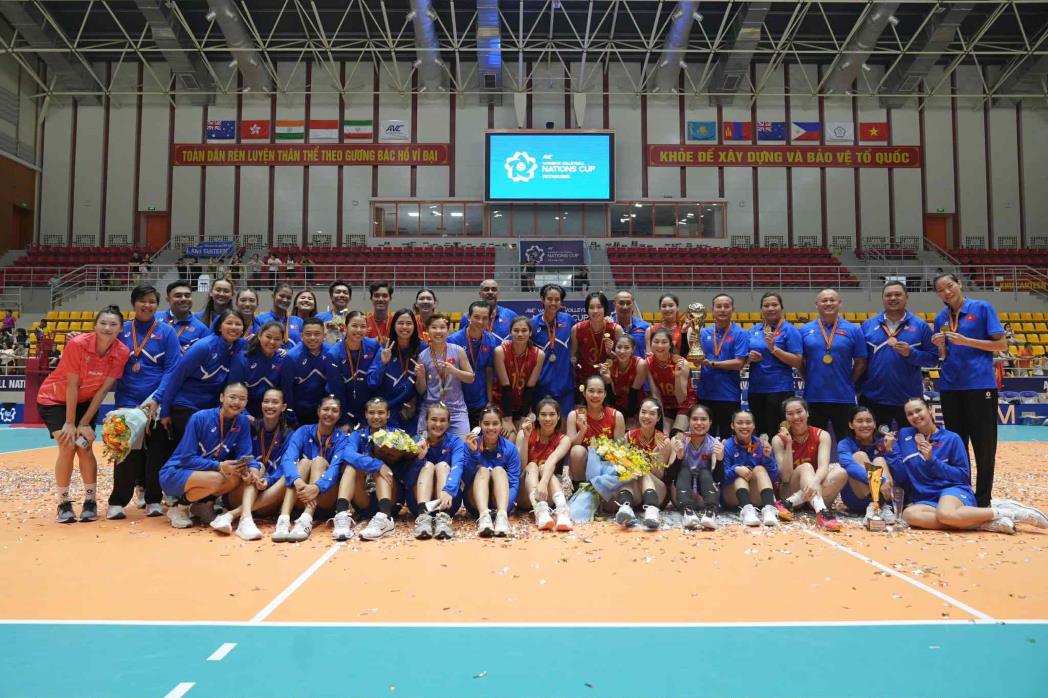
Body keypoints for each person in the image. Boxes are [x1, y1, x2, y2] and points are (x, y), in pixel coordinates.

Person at [889, 396, 1048, 533]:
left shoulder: (951, 438)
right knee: (908, 515)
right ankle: (980, 523)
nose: (915, 416)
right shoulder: (904, 435)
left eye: (918, 410)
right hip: (927, 497)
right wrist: (890, 451)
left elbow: (962, 475)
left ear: (929, 410)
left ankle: (1009, 513)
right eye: (909, 414)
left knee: (945, 515)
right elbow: (902, 472)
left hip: (952, 490)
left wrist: (932, 461)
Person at [37, 306, 130, 523]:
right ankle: (63, 502)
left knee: (84, 446)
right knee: (68, 444)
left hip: (85, 403)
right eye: (103, 323)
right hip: (55, 400)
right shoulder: (77, 344)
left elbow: (103, 390)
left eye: (113, 324)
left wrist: (85, 422)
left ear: (120, 328)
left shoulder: (122, 352)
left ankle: (90, 501)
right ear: (95, 325)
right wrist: (70, 422)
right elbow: (72, 385)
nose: (107, 328)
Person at [931, 273, 1007, 507]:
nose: (947, 292)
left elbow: (1001, 344)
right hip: (951, 387)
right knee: (956, 446)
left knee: (984, 446)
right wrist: (941, 349)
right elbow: (943, 357)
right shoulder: (941, 317)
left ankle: (983, 499)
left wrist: (967, 341)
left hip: (979, 385)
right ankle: (962, 495)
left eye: (950, 286)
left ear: (959, 284)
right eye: (941, 289)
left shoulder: (982, 308)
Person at [107, 285, 181, 520]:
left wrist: (158, 399)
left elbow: (172, 368)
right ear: (133, 303)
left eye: (151, 301)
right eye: (142, 301)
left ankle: (152, 499)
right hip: (127, 401)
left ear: (157, 305)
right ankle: (117, 502)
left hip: (156, 402)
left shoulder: (167, 332)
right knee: (125, 452)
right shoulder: (123, 330)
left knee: (156, 452)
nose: (147, 305)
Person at [159, 382, 259, 529]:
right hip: (175, 472)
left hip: (208, 473)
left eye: (242, 399)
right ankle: (179, 508)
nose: (237, 402)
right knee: (218, 478)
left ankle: (202, 506)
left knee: (236, 477)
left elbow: (246, 454)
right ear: (221, 398)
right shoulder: (199, 418)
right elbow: (186, 459)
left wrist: (252, 470)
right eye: (232, 397)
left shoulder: (243, 422)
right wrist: (219, 466)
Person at [158, 309, 247, 442]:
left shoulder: (240, 347)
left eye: (238, 324)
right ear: (220, 326)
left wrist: (281, 351)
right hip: (186, 406)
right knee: (197, 447)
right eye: (229, 323)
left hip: (211, 409)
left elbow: (262, 346)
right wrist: (164, 412)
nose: (233, 327)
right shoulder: (204, 346)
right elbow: (176, 377)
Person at [269, 395, 349, 542]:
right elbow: (287, 459)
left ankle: (306, 519)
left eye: (334, 410)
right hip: (302, 494)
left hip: (326, 497)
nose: (329, 413)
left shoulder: (343, 438)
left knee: (318, 461)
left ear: (339, 415)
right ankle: (284, 519)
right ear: (318, 411)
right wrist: (297, 480)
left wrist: (318, 486)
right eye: (325, 409)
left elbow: (336, 468)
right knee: (304, 463)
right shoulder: (303, 431)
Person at [218, 388, 295, 540]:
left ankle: (232, 515)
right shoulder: (248, 426)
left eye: (275, 402)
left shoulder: (290, 435)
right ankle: (244, 518)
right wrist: (248, 473)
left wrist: (268, 481)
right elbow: (240, 457)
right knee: (258, 466)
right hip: (243, 487)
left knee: (290, 477)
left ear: (283, 407)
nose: (270, 406)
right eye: (266, 401)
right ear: (261, 404)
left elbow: (286, 465)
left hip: (269, 497)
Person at [859, 282, 937, 431]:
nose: (893, 298)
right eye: (888, 295)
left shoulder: (921, 326)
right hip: (873, 399)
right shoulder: (868, 325)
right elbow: (861, 360)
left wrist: (911, 353)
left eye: (897, 294)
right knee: (873, 448)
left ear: (906, 297)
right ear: (882, 299)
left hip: (908, 401)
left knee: (911, 446)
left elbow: (933, 359)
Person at [319, 397, 396, 542]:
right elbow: (347, 454)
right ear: (366, 415)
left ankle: (386, 518)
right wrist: (377, 464)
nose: (376, 417)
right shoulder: (357, 435)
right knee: (350, 466)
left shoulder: (397, 435)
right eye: (372, 413)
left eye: (381, 413)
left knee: (384, 468)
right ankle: (341, 515)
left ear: (388, 415)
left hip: (391, 497)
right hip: (363, 500)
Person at [799, 288, 868, 440]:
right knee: (813, 444)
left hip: (844, 397)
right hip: (813, 397)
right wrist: (808, 378)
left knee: (846, 444)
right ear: (816, 304)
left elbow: (861, 362)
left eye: (832, 300)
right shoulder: (804, 330)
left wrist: (850, 381)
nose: (828, 303)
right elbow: (799, 361)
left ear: (840, 303)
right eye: (824, 300)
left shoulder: (854, 330)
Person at [773, 396, 845, 531]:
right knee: (806, 467)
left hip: (813, 490)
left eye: (799, 412)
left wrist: (815, 482)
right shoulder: (778, 440)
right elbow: (786, 477)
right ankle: (823, 513)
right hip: (789, 489)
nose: (795, 417)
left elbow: (823, 466)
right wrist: (788, 444)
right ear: (785, 418)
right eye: (790, 414)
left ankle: (788, 504)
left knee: (841, 472)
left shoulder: (822, 435)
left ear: (807, 413)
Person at [746, 292, 803, 437]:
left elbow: (797, 361)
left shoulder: (790, 330)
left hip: (780, 390)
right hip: (756, 390)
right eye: (766, 305)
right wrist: (750, 357)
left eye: (774, 305)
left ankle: (780, 460)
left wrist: (773, 349)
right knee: (760, 434)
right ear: (761, 309)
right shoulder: (754, 330)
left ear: (781, 308)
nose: (770, 308)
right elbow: (744, 358)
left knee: (778, 434)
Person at [693, 293, 748, 438]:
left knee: (727, 439)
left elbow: (739, 363)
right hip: (705, 394)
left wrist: (712, 363)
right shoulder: (703, 332)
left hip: (729, 396)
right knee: (703, 438)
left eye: (726, 306)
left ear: (732, 309)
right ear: (713, 310)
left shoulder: (740, 333)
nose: (722, 309)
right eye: (719, 306)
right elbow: (695, 360)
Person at [409, 402, 468, 540]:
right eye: (434, 420)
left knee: (442, 465)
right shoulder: (415, 442)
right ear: (426, 421)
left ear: (448, 423)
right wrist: (419, 459)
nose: (438, 424)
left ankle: (443, 518)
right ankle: (423, 517)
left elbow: (458, 466)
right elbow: (407, 480)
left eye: (442, 420)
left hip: (448, 500)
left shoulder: (455, 442)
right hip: (418, 502)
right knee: (428, 465)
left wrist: (449, 489)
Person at [463, 405, 521, 538]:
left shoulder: (510, 449)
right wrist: (474, 453)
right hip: (475, 502)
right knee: (482, 471)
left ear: (501, 425)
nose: (490, 428)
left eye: (495, 423)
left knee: (499, 470)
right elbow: (466, 479)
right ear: (479, 425)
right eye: (486, 423)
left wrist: (506, 507)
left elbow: (513, 483)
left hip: (500, 503)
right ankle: (484, 517)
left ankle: (501, 517)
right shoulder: (470, 444)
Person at [515, 399, 573, 531]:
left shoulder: (564, 440)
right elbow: (521, 467)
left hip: (548, 493)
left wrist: (542, 484)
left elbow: (552, 461)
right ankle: (540, 511)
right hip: (525, 494)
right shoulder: (523, 434)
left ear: (558, 416)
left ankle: (562, 513)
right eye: (543, 414)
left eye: (552, 414)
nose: (547, 418)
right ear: (537, 416)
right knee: (532, 466)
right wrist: (525, 438)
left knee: (545, 467)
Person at [619, 398, 676, 530]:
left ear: (658, 418)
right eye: (643, 412)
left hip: (658, 491)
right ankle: (626, 507)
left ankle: (651, 509)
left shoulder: (663, 440)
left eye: (652, 413)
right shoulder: (629, 436)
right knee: (629, 472)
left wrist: (653, 456)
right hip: (636, 491)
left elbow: (659, 474)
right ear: (638, 414)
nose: (646, 416)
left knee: (639, 470)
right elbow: (622, 465)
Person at [837, 405, 897, 526]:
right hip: (856, 498)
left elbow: (900, 473)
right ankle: (875, 504)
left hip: (885, 496)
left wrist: (890, 451)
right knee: (859, 456)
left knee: (879, 459)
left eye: (869, 421)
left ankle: (879, 506)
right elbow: (849, 467)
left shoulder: (885, 442)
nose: (865, 425)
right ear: (851, 425)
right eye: (859, 421)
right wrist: (879, 480)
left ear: (875, 424)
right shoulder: (845, 444)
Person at [416, 313, 474, 436]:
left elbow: (471, 378)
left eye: (442, 327)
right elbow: (421, 390)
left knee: (462, 449)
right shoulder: (422, 356)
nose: (438, 331)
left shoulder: (458, 350)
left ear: (449, 331)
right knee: (422, 450)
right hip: (431, 409)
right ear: (427, 331)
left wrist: (455, 371)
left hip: (456, 410)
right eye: (434, 327)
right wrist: (421, 377)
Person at [367, 308, 425, 430]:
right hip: (386, 413)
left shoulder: (422, 348)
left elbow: (424, 389)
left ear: (415, 326)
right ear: (394, 326)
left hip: (411, 412)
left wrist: (415, 400)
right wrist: (382, 364)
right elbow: (372, 382)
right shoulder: (385, 347)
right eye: (400, 323)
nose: (404, 327)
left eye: (409, 323)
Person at [720, 410, 779, 527]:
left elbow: (774, 477)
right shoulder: (727, 445)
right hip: (732, 497)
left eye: (748, 423)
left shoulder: (761, 444)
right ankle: (746, 511)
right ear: (732, 425)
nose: (744, 426)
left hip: (756, 496)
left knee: (760, 469)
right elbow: (721, 479)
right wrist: (736, 469)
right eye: (740, 423)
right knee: (739, 475)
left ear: (754, 425)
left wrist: (767, 458)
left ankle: (769, 509)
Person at [326, 310, 380, 430]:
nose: (359, 330)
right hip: (344, 407)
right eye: (354, 326)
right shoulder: (333, 354)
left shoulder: (374, 346)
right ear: (345, 327)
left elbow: (377, 379)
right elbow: (337, 390)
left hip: (368, 409)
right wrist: (344, 420)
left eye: (363, 326)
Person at [449, 301, 500, 428]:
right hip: (458, 402)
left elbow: (489, 372)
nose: (480, 322)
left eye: (484, 318)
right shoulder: (454, 340)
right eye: (476, 317)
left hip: (480, 401)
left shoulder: (491, 340)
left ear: (489, 319)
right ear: (468, 317)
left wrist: (489, 400)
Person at [566, 376, 626, 483]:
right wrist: (582, 430)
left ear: (605, 394)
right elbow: (570, 448)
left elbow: (620, 450)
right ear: (584, 393)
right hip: (582, 466)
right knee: (576, 451)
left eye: (599, 392)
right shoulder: (574, 415)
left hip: (607, 464)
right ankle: (580, 489)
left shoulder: (616, 416)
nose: (595, 395)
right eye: (591, 391)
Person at [672, 404, 722, 530]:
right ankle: (687, 512)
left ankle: (711, 512)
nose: (699, 423)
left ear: (710, 422)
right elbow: (671, 475)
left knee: (705, 472)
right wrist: (679, 458)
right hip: (681, 493)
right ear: (689, 421)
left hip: (704, 496)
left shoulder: (714, 444)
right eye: (695, 419)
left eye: (703, 419)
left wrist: (721, 459)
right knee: (684, 470)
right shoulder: (679, 440)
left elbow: (717, 478)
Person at [494, 315, 544, 438]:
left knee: (523, 437)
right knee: (510, 438)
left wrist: (523, 418)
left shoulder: (539, 354)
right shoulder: (500, 351)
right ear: (510, 332)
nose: (520, 334)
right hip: (502, 405)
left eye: (524, 331)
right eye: (516, 330)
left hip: (523, 406)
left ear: (530, 332)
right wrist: (507, 419)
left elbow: (530, 388)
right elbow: (505, 386)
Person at [530, 284, 575, 417]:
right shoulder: (533, 324)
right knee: (543, 426)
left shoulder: (568, 320)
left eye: (557, 299)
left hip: (565, 387)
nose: (553, 303)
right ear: (542, 300)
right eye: (550, 299)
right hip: (541, 387)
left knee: (564, 427)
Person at [229, 321, 287, 419]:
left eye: (277, 339)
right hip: (242, 411)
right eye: (268, 337)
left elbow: (284, 391)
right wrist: (245, 415)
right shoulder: (243, 358)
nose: (272, 342)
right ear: (260, 336)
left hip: (271, 412)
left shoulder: (283, 359)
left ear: (282, 341)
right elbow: (233, 390)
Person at [280, 317, 331, 425]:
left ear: (324, 336)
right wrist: (290, 413)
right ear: (301, 336)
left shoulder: (331, 353)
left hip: (325, 411)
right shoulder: (291, 357)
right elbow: (286, 389)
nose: (312, 338)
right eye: (308, 334)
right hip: (299, 413)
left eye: (317, 334)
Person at [572, 291, 623, 395]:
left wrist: (611, 353)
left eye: (599, 307)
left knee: (609, 410)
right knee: (581, 411)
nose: (595, 311)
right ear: (587, 309)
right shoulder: (577, 329)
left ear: (605, 309)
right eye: (591, 307)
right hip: (584, 381)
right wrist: (574, 361)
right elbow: (574, 356)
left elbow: (623, 360)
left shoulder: (615, 329)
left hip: (608, 380)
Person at [646, 327, 695, 434]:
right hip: (666, 405)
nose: (660, 345)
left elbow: (681, 398)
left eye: (664, 342)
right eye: (656, 342)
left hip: (684, 404)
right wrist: (660, 421)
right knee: (661, 435)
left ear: (670, 345)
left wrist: (677, 376)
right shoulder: (648, 363)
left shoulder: (681, 363)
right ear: (651, 344)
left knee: (675, 435)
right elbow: (656, 393)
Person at [598, 335, 647, 424]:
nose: (622, 351)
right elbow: (611, 397)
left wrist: (631, 417)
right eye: (619, 347)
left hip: (636, 407)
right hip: (617, 405)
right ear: (615, 348)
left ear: (633, 349)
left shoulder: (640, 364)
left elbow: (634, 393)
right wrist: (608, 380)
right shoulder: (610, 365)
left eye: (626, 348)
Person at [155, 280, 210, 353]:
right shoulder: (154, 318)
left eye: (187, 296)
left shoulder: (202, 330)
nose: (184, 299)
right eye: (178, 296)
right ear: (168, 300)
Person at [612, 290, 650, 358]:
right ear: (614, 305)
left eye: (628, 303)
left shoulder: (646, 327)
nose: (625, 307)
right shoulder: (608, 327)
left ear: (633, 305)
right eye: (621, 303)